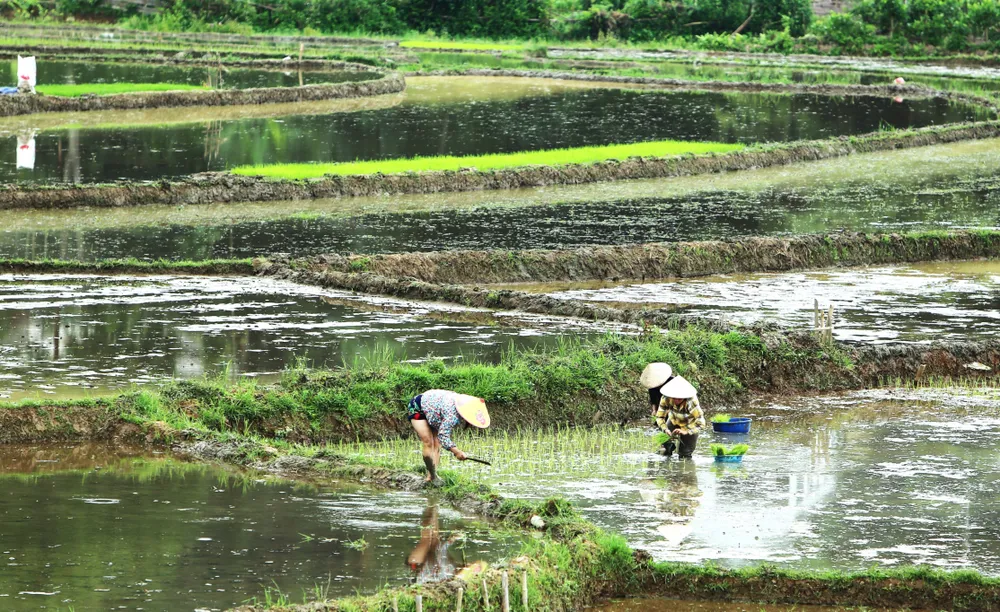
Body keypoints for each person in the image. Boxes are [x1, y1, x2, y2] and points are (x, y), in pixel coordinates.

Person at [407, 389, 491, 482]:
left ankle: (432, 476)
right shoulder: (452, 415)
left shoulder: (460, 404)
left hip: (435, 410)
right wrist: (456, 451)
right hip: (418, 406)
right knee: (428, 442)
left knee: (437, 444)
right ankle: (431, 475)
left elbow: (440, 437)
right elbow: (443, 436)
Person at [655, 375, 705, 459]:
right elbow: (659, 417)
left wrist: (686, 431)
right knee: (665, 447)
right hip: (673, 419)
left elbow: (701, 423)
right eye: (674, 398)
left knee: (685, 454)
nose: (676, 401)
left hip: (689, 423)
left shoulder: (691, 401)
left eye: (679, 399)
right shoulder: (665, 398)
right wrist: (665, 429)